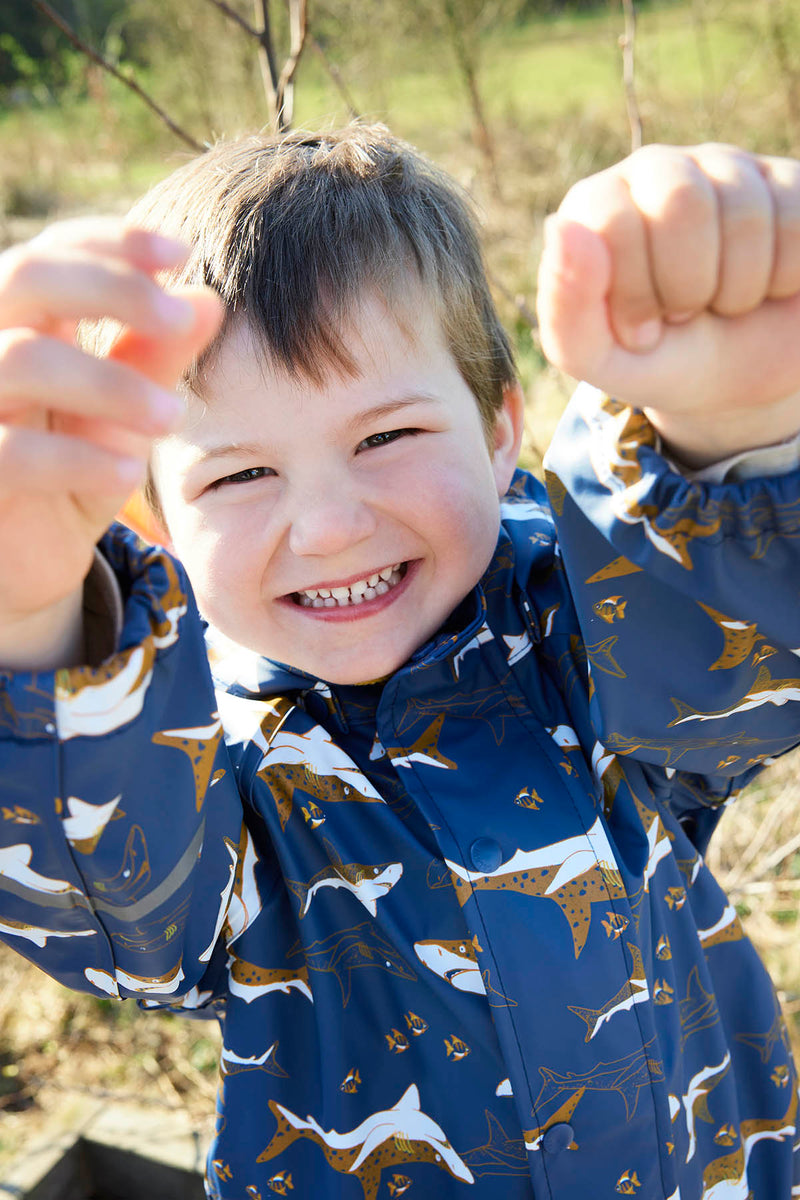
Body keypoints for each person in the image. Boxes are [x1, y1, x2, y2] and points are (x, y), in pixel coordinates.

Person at [1, 126, 799, 1200]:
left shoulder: (596, 644)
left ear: (499, 429)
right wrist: (33, 615)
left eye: (385, 438)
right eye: (238, 477)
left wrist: (735, 425)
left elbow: (734, 665)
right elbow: (115, 907)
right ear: (154, 522)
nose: (329, 527)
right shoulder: (212, 780)